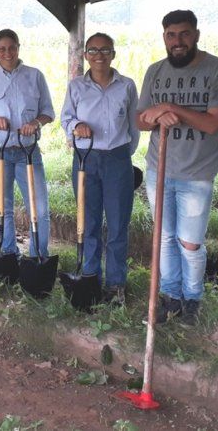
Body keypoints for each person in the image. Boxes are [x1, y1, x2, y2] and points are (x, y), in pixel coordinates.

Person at [137, 10, 218, 327]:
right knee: (164, 238)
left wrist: (172, 108)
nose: (178, 41)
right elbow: (139, 119)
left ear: (196, 35)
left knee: (190, 242)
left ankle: (192, 300)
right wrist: (156, 115)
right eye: (171, 35)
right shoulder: (155, 72)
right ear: (165, 37)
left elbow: (214, 123)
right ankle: (170, 296)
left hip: (196, 173)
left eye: (184, 34)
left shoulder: (216, 70)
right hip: (158, 168)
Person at [60, 32, 140, 304]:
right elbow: (66, 118)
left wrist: (122, 155)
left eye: (105, 50)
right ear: (86, 56)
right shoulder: (76, 87)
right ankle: (90, 277)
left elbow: (133, 126)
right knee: (89, 221)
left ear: (113, 54)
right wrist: (75, 127)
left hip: (118, 160)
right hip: (85, 161)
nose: (99, 56)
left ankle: (116, 284)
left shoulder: (127, 86)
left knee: (118, 224)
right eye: (93, 51)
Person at [0, 29, 55, 260]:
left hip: (28, 151)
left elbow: (48, 112)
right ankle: (8, 253)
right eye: (2, 49)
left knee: (39, 208)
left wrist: (36, 122)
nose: (7, 53)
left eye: (12, 47)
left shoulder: (35, 76)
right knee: (3, 207)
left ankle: (38, 257)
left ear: (18, 47)